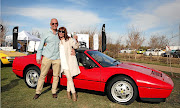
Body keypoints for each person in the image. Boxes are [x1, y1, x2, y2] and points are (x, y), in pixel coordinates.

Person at [33, 18, 76, 99]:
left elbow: (69, 41)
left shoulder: (60, 34)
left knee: (56, 76)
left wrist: (74, 49)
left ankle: (54, 92)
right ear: (50, 24)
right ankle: (38, 92)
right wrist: (38, 57)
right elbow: (40, 46)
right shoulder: (46, 33)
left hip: (57, 59)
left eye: (56, 23)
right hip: (47, 57)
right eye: (53, 23)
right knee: (42, 75)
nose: (54, 25)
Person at [58, 27, 80, 101]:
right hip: (62, 63)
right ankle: (73, 94)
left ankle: (68, 93)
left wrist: (76, 40)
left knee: (69, 78)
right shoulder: (57, 41)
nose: (61, 33)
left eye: (62, 31)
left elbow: (76, 46)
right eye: (59, 31)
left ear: (65, 33)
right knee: (69, 78)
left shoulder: (69, 40)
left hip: (69, 62)